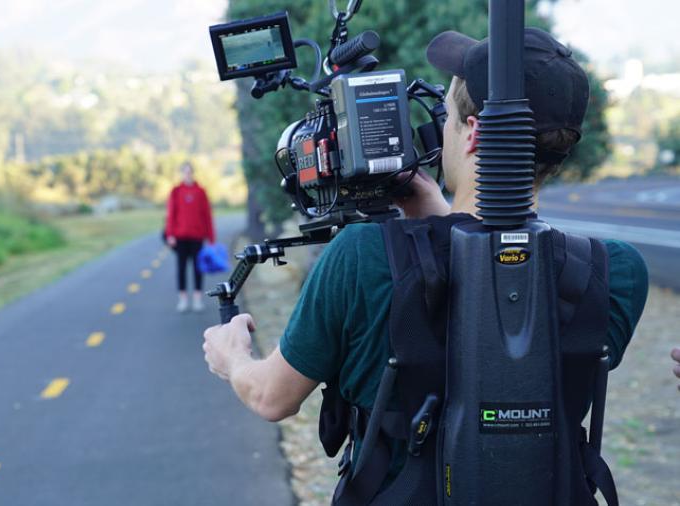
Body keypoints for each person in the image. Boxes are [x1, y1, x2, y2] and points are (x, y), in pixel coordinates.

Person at [203, 28, 649, 496]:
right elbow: (512, 307)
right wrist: (439, 220)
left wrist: (231, 356)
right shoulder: (615, 272)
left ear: (474, 135)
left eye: (448, 117)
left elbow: (271, 396)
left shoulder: (361, 256)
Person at [165, 162, 215, 313]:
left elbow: (207, 215)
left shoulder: (200, 191)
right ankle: (183, 299)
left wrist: (211, 237)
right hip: (180, 237)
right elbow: (171, 215)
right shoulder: (176, 191)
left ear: (192, 173)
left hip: (197, 236)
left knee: (197, 268)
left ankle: (198, 299)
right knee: (181, 268)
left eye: (189, 172)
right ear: (181, 173)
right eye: (184, 172)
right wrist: (170, 234)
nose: (187, 174)